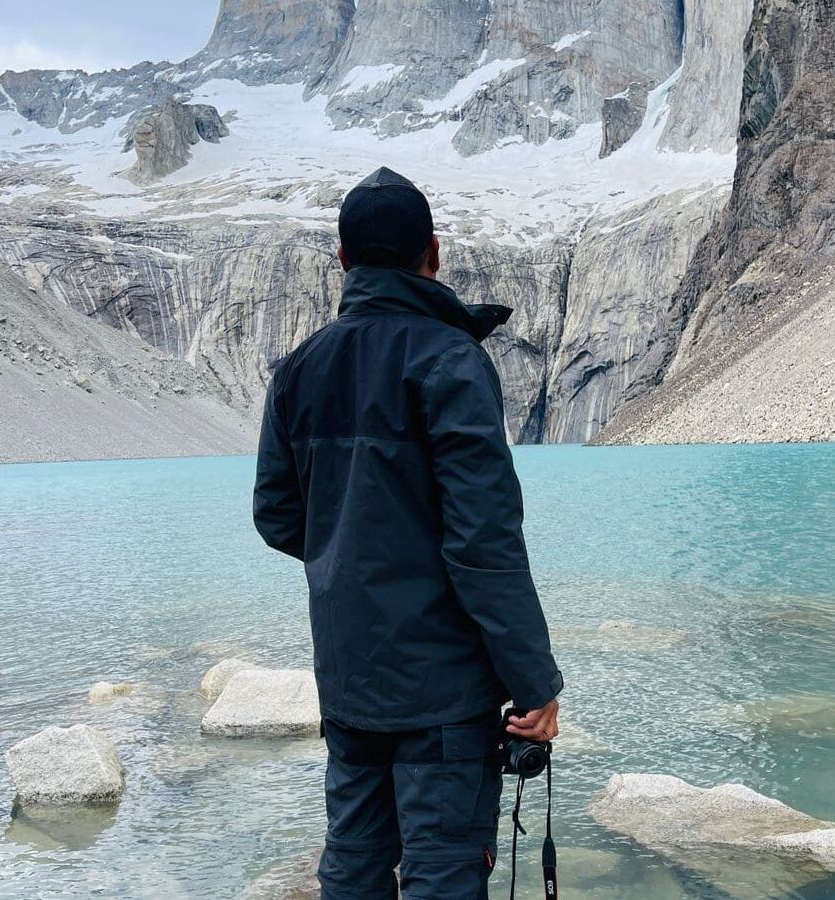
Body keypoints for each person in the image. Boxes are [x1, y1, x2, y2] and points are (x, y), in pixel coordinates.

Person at [254, 166, 563, 899]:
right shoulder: (452, 360)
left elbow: (276, 515)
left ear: (343, 261)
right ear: (434, 253)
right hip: (445, 690)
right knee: (445, 874)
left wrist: (354, 555)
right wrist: (534, 684)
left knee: (354, 867)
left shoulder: (299, 370)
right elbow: (483, 541)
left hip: (350, 677)